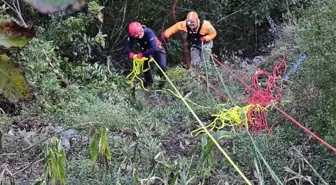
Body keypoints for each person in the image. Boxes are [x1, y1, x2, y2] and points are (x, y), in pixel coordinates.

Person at [125, 21, 167, 88]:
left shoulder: (148, 32)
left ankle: (162, 85)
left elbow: (154, 48)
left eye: (141, 33)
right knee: (145, 68)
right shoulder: (132, 35)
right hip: (146, 51)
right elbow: (127, 48)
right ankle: (149, 83)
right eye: (138, 36)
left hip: (158, 49)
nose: (140, 35)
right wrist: (131, 54)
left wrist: (141, 55)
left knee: (162, 67)